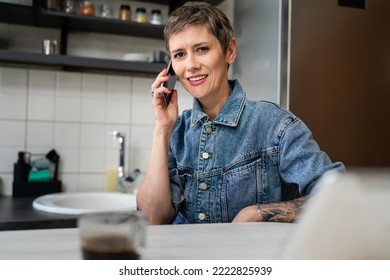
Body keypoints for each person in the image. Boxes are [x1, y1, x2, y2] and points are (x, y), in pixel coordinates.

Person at [136, 1, 345, 225]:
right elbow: (151, 218)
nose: (191, 65)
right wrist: (162, 128)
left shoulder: (275, 124)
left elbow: (339, 196)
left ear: (230, 50)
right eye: (179, 54)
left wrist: (257, 213)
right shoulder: (176, 131)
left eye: (202, 49)